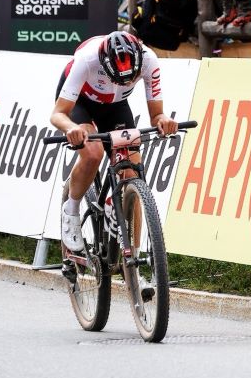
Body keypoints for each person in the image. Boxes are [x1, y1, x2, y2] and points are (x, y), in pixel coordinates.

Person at [51, 32, 177, 254]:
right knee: (93, 153)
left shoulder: (149, 59)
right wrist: (71, 128)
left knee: (132, 172)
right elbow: (58, 114)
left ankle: (133, 262)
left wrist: (163, 120)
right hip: (81, 102)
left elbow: (157, 115)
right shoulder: (87, 60)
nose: (125, 82)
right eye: (118, 78)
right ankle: (71, 210)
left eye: (131, 78)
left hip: (116, 106)